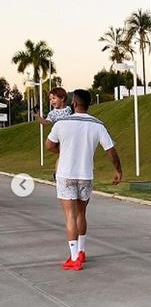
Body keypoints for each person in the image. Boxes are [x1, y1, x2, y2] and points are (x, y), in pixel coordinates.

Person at [45, 89, 122, 271]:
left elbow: (49, 145)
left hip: (66, 175)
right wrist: (118, 170)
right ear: (89, 104)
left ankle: (74, 258)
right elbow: (111, 151)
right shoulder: (97, 125)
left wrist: (64, 151)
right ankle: (82, 251)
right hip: (85, 175)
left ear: (74, 104)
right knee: (81, 214)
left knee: (70, 216)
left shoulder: (62, 123)